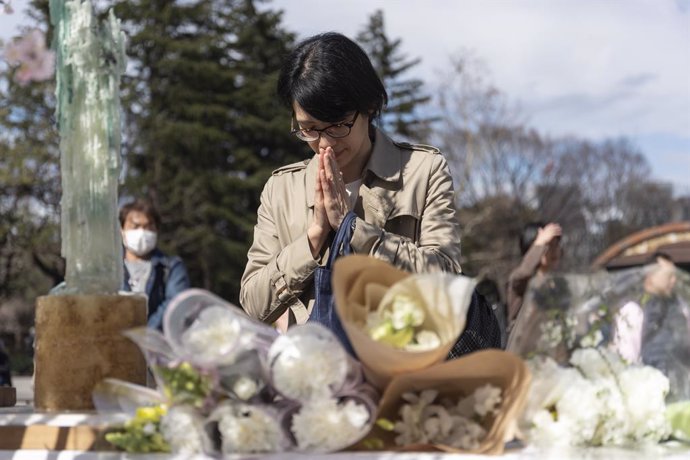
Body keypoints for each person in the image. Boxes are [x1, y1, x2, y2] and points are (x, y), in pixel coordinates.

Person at [240, 32, 463, 329]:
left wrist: (353, 229)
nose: (324, 144)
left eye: (337, 126)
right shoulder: (282, 189)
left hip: (400, 366)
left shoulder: (423, 171)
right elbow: (253, 304)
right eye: (309, 129)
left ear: (369, 107)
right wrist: (314, 237)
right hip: (311, 369)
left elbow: (446, 280)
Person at [611, 252, 690, 400]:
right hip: (651, 395)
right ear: (650, 277)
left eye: (674, 277)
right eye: (669, 276)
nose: (673, 281)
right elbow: (627, 360)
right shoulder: (633, 310)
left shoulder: (682, 307)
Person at [119, 199, 191, 330]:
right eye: (135, 226)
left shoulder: (171, 267)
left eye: (148, 227)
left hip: (158, 344)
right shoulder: (108, 268)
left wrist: (145, 335)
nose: (142, 232)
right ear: (122, 230)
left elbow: (176, 304)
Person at [506, 222, 562, 333]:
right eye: (549, 245)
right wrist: (540, 243)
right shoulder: (521, 280)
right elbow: (522, 274)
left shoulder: (558, 284)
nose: (555, 250)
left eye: (556, 244)